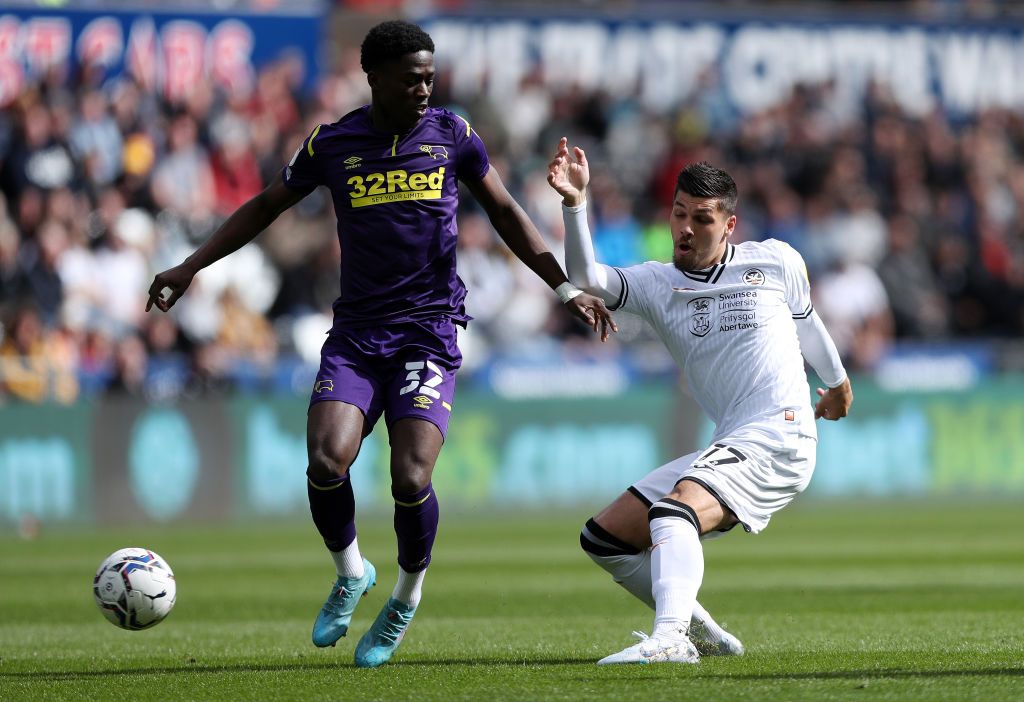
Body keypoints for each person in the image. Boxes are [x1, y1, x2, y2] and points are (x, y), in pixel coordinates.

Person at [146, 23, 614, 669]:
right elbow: (264, 207)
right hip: (359, 335)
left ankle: (403, 598)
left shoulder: (453, 134)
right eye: (411, 77)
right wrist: (189, 266)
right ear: (374, 76)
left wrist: (564, 289)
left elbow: (505, 211)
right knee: (324, 461)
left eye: (429, 75)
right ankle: (351, 572)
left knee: (410, 473)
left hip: (428, 330)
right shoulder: (333, 144)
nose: (424, 88)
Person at [547, 137, 852, 664]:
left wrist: (839, 381)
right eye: (679, 213)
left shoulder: (775, 260)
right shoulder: (657, 283)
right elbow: (587, 278)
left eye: (703, 219)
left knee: (675, 509)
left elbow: (809, 324)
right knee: (605, 538)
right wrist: (576, 204)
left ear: (729, 225)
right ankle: (700, 633)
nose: (685, 228)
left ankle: (669, 640)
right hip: (735, 438)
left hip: (780, 432)